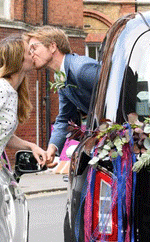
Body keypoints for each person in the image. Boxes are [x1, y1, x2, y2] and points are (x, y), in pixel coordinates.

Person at [26, 26, 100, 166]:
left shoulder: (82, 69)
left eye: (34, 48)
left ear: (53, 46)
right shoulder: (60, 76)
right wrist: (52, 148)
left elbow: (119, 95)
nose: (31, 54)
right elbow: (64, 117)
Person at [0, 34, 48, 165]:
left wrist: (32, 146)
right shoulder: (0, 87)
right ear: (18, 59)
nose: (33, 54)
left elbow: (1, 135)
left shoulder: (11, 90)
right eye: (29, 51)